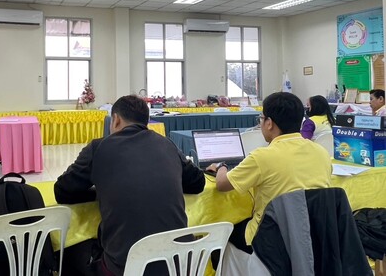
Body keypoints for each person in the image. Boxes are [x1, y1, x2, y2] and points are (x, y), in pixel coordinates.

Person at [54, 95, 205, 276]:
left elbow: (62, 191)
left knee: (70, 250)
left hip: (126, 268)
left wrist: (99, 192)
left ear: (116, 120)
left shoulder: (99, 148)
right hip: (180, 265)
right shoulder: (167, 144)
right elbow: (198, 183)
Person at [206, 92, 331, 256]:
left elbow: (222, 185)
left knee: (218, 236)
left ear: (269, 123)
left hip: (270, 238)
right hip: (312, 235)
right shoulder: (321, 152)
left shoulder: (262, 157)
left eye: (261, 118)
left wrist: (221, 166)